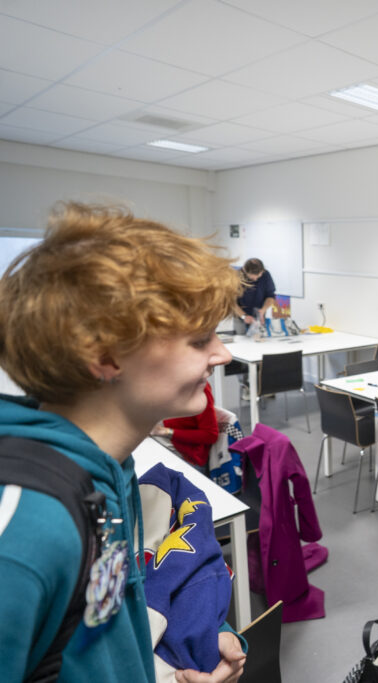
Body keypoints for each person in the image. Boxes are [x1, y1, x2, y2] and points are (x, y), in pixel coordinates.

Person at [0, 202, 246, 682]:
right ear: (104, 354)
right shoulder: (27, 523)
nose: (223, 353)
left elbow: (90, 635)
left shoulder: (110, 470)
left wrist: (185, 642)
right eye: (199, 340)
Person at [151, 381, 219, 468]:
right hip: (156, 445)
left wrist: (165, 432)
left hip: (184, 457)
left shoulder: (197, 387)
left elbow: (211, 435)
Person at [233, 257, 275, 328]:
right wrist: (244, 316)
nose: (255, 279)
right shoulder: (235, 277)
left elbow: (270, 296)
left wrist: (263, 310)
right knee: (241, 338)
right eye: (252, 278)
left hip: (259, 316)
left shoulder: (266, 275)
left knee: (260, 337)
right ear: (245, 271)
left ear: (262, 271)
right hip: (241, 317)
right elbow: (231, 302)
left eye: (258, 277)